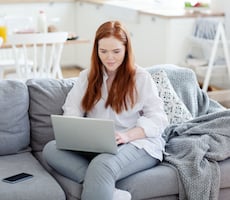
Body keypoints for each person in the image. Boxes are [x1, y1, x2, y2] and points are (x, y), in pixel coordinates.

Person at [43, 20, 169, 200]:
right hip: (100, 145)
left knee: (102, 165)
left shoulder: (141, 78)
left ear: (126, 50)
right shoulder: (87, 77)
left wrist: (127, 136)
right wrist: (76, 134)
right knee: (51, 148)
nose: (110, 58)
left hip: (137, 143)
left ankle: (100, 181)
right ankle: (105, 188)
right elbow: (72, 110)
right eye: (103, 51)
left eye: (116, 51)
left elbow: (158, 118)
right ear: (96, 50)